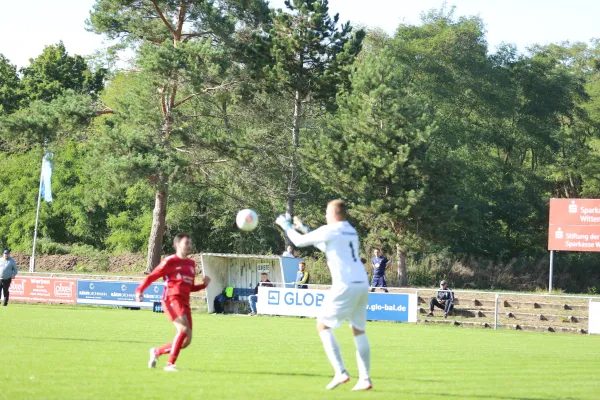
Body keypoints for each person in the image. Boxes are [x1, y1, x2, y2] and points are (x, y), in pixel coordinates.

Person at [276, 200, 372, 391]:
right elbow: (327, 247)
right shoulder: (350, 230)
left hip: (345, 284)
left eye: (327, 213)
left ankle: (341, 372)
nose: (326, 216)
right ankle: (365, 379)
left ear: (334, 213)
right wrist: (306, 229)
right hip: (362, 283)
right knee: (358, 330)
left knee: (322, 325)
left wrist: (285, 225)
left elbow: (298, 242)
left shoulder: (331, 229)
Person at [135, 233, 211, 372]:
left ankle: (157, 352)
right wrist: (140, 290)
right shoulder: (169, 261)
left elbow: (189, 287)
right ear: (177, 244)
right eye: (186, 242)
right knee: (183, 329)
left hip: (184, 302)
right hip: (171, 299)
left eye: (190, 243)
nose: (189, 245)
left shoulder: (191, 264)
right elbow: (152, 276)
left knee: (186, 341)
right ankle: (170, 364)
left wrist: (203, 285)